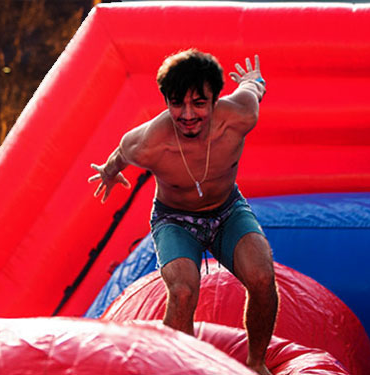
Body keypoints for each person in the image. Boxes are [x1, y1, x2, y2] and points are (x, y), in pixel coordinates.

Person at [89, 49, 277, 375]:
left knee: (262, 276)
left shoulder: (241, 116)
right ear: (166, 101)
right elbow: (121, 152)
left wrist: (252, 80)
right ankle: (180, 370)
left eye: (199, 103)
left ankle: (256, 364)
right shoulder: (149, 142)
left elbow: (253, 89)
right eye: (177, 103)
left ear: (216, 99)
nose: (188, 114)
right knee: (183, 289)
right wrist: (108, 171)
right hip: (175, 219)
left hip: (227, 210)